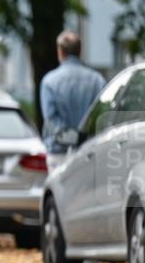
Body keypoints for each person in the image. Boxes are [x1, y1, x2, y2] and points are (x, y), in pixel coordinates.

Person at [40, 30, 105, 169]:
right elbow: (101, 117)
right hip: (89, 152)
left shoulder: (49, 81)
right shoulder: (97, 80)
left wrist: (70, 138)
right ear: (79, 51)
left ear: (61, 52)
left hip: (59, 154)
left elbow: (51, 120)